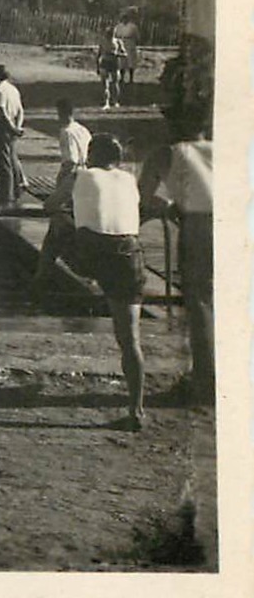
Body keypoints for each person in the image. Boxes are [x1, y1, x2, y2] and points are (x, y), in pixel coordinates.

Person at [48, 133, 147, 430]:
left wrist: (72, 206)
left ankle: (40, 279)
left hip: (91, 255)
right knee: (130, 340)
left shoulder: (80, 174)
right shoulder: (129, 178)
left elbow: (49, 205)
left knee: (57, 224)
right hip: (130, 254)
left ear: (91, 155)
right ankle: (136, 410)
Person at [138, 108, 213, 404]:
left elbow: (142, 195)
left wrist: (165, 207)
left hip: (199, 226)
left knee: (201, 303)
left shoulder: (168, 153)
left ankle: (205, 383)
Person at [34, 99, 91, 286]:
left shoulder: (65, 132)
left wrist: (61, 183)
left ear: (62, 113)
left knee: (58, 221)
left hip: (73, 177)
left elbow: (70, 161)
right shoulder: (83, 129)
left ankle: (42, 274)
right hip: (88, 174)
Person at [0, 64, 25, 206]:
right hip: (13, 124)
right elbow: (20, 110)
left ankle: (4, 195)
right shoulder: (13, 89)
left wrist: (11, 128)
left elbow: (2, 112)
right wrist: (17, 126)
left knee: (2, 161)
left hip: (0, 126)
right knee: (12, 159)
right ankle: (15, 190)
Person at [112, 8, 141, 88]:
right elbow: (114, 36)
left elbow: (137, 36)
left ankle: (131, 78)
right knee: (122, 62)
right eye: (123, 18)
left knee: (131, 61)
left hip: (130, 44)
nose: (124, 20)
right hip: (121, 43)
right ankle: (122, 78)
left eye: (126, 18)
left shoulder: (133, 27)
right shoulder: (118, 27)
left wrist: (134, 43)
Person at [97, 28, 124, 110]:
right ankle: (106, 102)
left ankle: (115, 101)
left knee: (115, 83)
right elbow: (99, 54)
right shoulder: (102, 42)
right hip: (105, 62)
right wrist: (97, 66)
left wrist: (117, 54)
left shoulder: (118, 42)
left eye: (110, 34)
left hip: (114, 63)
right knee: (105, 83)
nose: (109, 35)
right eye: (108, 34)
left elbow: (124, 53)